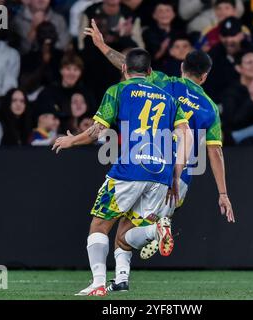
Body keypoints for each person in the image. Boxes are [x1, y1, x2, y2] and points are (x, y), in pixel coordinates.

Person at [85, 20, 234, 292]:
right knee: (128, 231)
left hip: (151, 164)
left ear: (182, 67)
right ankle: (122, 278)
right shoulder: (211, 108)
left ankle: (148, 240)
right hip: (180, 178)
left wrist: (102, 46)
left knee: (119, 227)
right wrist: (222, 194)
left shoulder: (165, 83)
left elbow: (131, 67)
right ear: (205, 76)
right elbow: (215, 151)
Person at [51, 48, 192, 296]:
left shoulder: (118, 91)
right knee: (126, 234)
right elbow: (186, 135)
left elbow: (97, 132)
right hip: (160, 173)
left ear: (124, 69)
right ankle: (153, 232)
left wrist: (71, 141)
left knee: (99, 226)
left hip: (129, 169)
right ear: (149, 72)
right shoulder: (168, 99)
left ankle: (97, 283)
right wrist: (176, 173)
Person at [204, 16, 253, 103]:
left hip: (250, 99)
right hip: (222, 102)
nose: (229, 40)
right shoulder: (213, 55)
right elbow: (208, 86)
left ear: (241, 35)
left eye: (233, 35)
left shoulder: (252, 51)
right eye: (225, 36)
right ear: (220, 37)